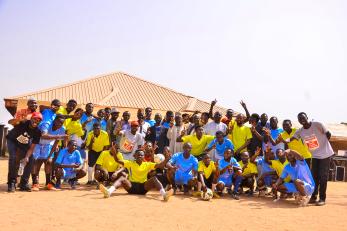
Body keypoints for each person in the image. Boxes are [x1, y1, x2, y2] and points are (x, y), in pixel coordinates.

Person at [99, 146, 173, 201]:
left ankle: (164, 194)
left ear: (144, 157)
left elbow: (160, 165)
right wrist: (115, 153)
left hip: (143, 188)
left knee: (154, 179)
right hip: (131, 187)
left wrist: (167, 159)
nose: (140, 156)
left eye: (141, 155)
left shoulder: (147, 164)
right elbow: (117, 160)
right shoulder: (130, 163)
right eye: (138, 155)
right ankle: (108, 191)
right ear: (134, 156)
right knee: (122, 179)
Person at [293, 112, 334, 206]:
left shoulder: (317, 124)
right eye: (299, 119)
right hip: (315, 156)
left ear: (307, 117)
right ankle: (313, 197)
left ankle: (322, 198)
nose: (301, 119)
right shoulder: (300, 131)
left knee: (323, 176)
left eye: (303, 117)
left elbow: (328, 134)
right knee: (314, 176)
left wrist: (323, 146)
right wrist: (283, 141)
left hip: (325, 154)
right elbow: (292, 138)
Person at [6, 112, 43, 192]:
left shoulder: (37, 132)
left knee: (31, 159)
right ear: (31, 119)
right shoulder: (23, 123)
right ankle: (12, 182)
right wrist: (19, 120)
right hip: (12, 140)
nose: (36, 121)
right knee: (13, 157)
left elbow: (32, 147)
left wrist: (26, 157)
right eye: (34, 119)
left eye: (38, 120)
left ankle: (24, 183)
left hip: (24, 144)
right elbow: (10, 122)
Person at [31, 116, 67, 191]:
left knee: (49, 162)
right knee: (36, 162)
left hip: (48, 145)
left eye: (62, 123)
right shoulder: (46, 124)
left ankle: (48, 184)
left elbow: (56, 142)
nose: (59, 124)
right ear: (54, 120)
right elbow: (43, 135)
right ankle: (35, 183)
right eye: (58, 122)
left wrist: (50, 155)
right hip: (37, 142)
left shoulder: (62, 129)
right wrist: (59, 136)